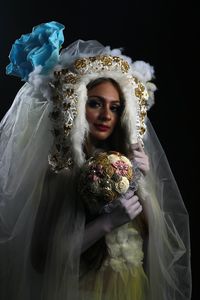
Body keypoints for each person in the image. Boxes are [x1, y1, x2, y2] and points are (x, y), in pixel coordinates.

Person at [0, 21, 191, 300]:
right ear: (77, 104)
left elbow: (156, 238)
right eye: (95, 103)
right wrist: (106, 223)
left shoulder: (126, 164)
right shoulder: (62, 170)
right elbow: (41, 260)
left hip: (132, 289)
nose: (106, 116)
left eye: (115, 107)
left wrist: (142, 179)